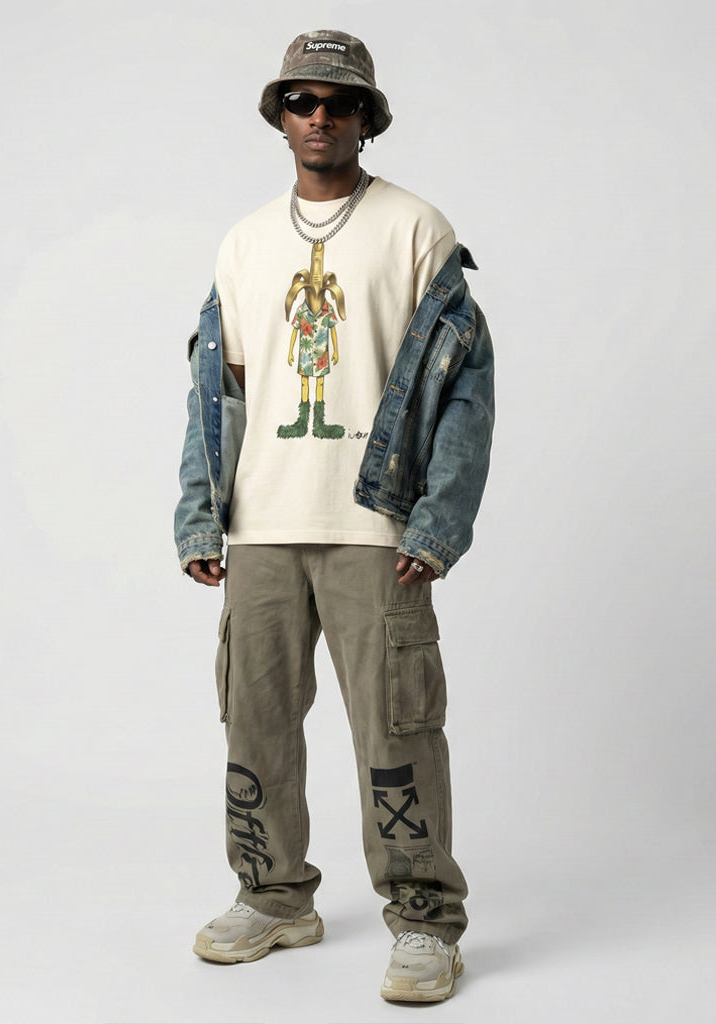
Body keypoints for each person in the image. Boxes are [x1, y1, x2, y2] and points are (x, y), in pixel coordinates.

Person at [174, 29, 494, 1004]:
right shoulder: (243, 242)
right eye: (302, 101)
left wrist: (436, 525)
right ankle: (273, 896)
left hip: (374, 529)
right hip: (262, 524)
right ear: (279, 116)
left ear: (367, 118)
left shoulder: (415, 228)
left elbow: (466, 389)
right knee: (255, 721)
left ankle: (425, 919)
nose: (320, 117)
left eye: (340, 102)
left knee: (397, 728)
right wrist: (200, 516)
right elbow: (215, 394)